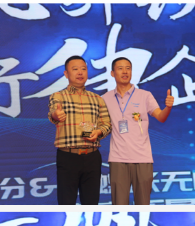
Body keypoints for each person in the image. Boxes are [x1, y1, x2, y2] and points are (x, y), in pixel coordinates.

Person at [102, 57, 175, 205]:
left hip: (143, 158)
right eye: (120, 68)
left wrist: (168, 108)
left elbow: (160, 117)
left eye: (128, 68)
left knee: (143, 204)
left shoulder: (145, 95)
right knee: (119, 205)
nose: (125, 72)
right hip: (118, 160)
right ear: (112, 73)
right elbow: (101, 125)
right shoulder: (105, 98)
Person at [48, 55, 112, 205]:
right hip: (68, 157)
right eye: (75, 69)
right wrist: (56, 115)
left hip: (92, 157)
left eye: (83, 69)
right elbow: (53, 113)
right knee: (66, 202)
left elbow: (107, 124)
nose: (80, 72)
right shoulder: (58, 96)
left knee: (91, 202)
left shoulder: (98, 99)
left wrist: (98, 132)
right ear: (66, 74)